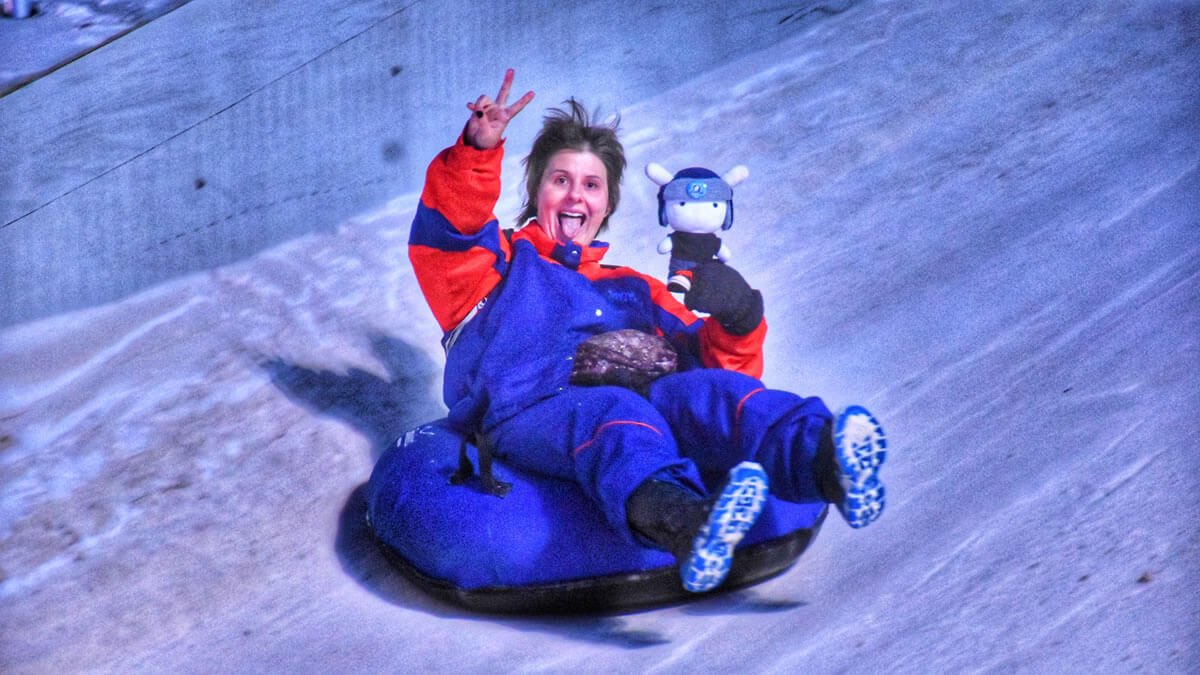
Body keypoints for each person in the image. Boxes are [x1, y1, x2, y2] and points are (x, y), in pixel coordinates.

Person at [408, 69, 888, 594]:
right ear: (537, 190)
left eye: (591, 185)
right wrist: (477, 152)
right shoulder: (496, 265)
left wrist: (739, 319)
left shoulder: (634, 289)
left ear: (607, 204)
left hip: (642, 393)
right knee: (616, 411)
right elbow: (449, 231)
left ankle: (826, 462)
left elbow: (724, 372)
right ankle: (688, 524)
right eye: (560, 180)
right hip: (531, 406)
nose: (575, 197)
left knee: (716, 394)